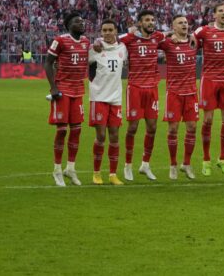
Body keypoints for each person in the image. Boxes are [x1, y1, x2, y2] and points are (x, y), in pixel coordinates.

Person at [193, 2, 224, 176]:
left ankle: (222, 159)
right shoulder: (204, 31)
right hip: (209, 80)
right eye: (220, 11)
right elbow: (188, 40)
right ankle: (206, 160)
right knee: (208, 120)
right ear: (213, 15)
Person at [45, 11, 90, 187]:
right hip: (63, 89)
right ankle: (57, 169)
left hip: (78, 90)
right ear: (69, 24)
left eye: (82, 20)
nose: (82, 23)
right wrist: (53, 87)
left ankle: (70, 168)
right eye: (78, 21)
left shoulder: (86, 42)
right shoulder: (60, 40)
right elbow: (48, 62)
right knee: (62, 130)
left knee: (77, 130)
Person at [120, 10, 166, 182]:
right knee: (132, 128)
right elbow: (114, 40)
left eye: (152, 20)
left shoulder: (157, 37)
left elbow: (169, 37)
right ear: (140, 23)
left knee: (152, 127)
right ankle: (127, 166)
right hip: (135, 88)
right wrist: (128, 32)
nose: (150, 22)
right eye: (147, 20)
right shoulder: (131, 39)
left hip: (152, 88)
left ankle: (145, 165)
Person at [160, 15, 198, 181]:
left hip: (191, 93)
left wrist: (194, 36)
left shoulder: (194, 42)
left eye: (186, 23)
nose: (184, 25)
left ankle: (186, 163)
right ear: (174, 27)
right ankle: (173, 164)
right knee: (173, 129)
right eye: (180, 23)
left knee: (192, 128)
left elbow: (207, 34)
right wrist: (167, 34)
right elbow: (152, 39)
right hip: (174, 93)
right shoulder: (168, 43)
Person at [88, 19, 126, 185]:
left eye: (111, 30)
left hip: (116, 99)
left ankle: (112, 174)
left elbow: (133, 36)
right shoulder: (94, 49)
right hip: (99, 98)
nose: (108, 33)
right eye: (104, 30)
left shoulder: (123, 48)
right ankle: (96, 173)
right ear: (101, 32)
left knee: (115, 136)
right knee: (101, 136)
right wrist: (95, 42)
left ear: (116, 31)